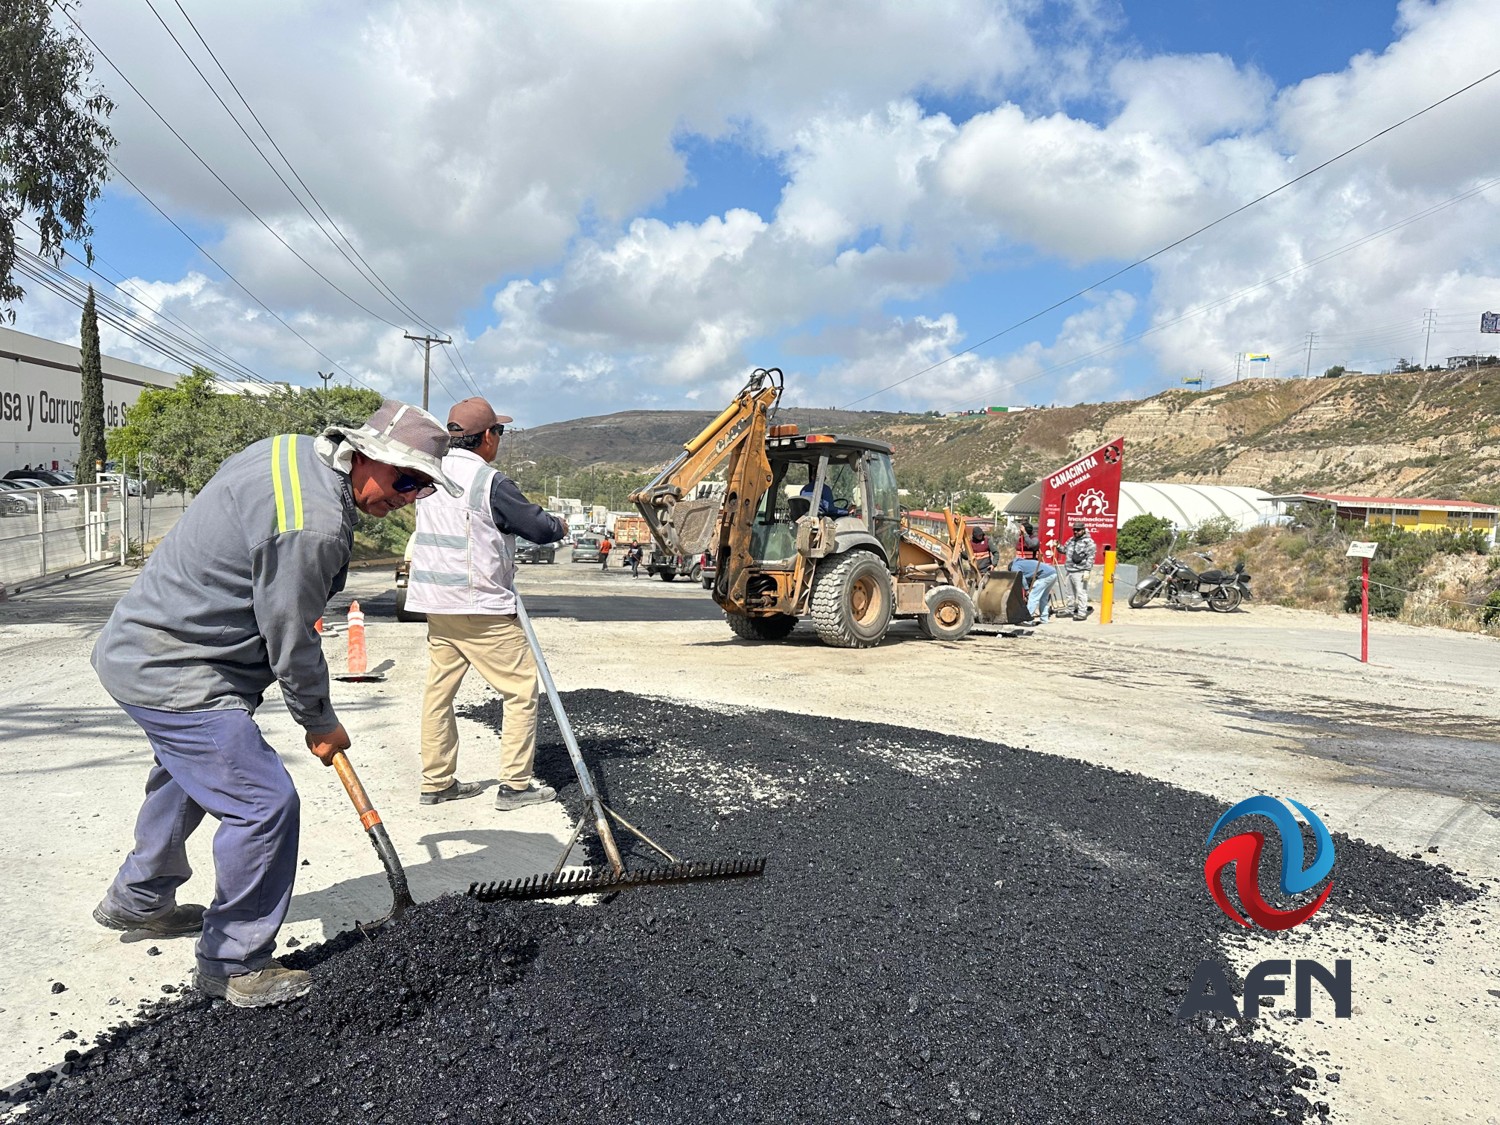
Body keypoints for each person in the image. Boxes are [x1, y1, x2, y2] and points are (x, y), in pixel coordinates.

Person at [91, 399, 459, 1008]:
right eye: (405, 479)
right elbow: (291, 636)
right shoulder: (312, 524)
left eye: (422, 488)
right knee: (263, 802)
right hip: (176, 668)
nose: (408, 496)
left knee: (189, 778)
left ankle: (138, 898)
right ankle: (233, 963)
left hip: (148, 647)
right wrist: (320, 722)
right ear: (365, 454)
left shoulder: (292, 450)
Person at [406, 397, 570, 813]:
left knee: (439, 692)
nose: (499, 438)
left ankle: (437, 781)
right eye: (499, 431)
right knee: (519, 690)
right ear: (487, 438)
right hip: (479, 605)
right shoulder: (489, 481)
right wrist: (559, 525)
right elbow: (538, 527)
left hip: (437, 606)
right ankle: (515, 786)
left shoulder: (431, 475)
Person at [1008, 520, 1057, 625]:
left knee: (1033, 596)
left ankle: (1027, 619)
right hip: (1049, 573)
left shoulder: (1033, 540)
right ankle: (1044, 619)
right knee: (1042, 597)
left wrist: (1026, 590)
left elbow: (1021, 578)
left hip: (1040, 574)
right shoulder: (1020, 544)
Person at [1063, 521, 1097, 621]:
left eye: (1078, 530)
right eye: (1074, 530)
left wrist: (1087, 570)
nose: (1076, 532)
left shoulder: (1089, 542)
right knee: (1069, 593)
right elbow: (1064, 550)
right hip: (1069, 570)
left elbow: (1091, 557)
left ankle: (1082, 612)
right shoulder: (1071, 540)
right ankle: (1070, 609)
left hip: (1080, 571)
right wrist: (1057, 546)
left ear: (1083, 530)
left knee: (1081, 592)